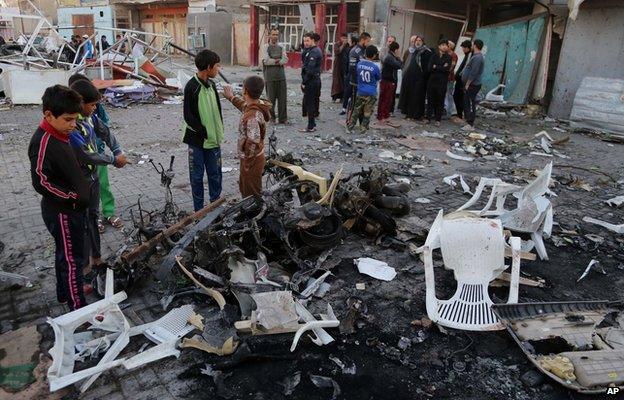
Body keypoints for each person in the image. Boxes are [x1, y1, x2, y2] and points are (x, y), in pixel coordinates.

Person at [28, 85, 91, 311]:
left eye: (75, 119)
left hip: (71, 208)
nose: (73, 125)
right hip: (63, 211)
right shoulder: (43, 141)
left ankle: (65, 293)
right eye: (68, 119)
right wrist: (72, 198)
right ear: (48, 115)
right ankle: (78, 308)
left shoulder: (60, 133)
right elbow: (41, 181)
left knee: (65, 254)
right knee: (73, 260)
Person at [68, 80, 128, 276]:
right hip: (79, 181)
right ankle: (84, 268)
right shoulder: (72, 124)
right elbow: (85, 154)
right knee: (83, 224)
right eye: (92, 105)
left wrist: (118, 149)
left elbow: (105, 131)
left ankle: (97, 258)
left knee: (93, 218)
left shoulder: (90, 118)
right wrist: (113, 159)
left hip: (93, 176)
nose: (95, 109)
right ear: (80, 103)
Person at [183, 49, 224, 211]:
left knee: (215, 175)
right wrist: (203, 132)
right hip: (197, 141)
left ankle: (215, 206)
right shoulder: (192, 87)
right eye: (217, 66)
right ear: (208, 67)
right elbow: (188, 116)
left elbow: (218, 112)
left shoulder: (212, 85)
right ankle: (198, 211)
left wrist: (217, 132)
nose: (218, 69)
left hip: (213, 141)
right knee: (197, 177)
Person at [222, 76, 271, 197]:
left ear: (245, 91)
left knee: (251, 195)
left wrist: (247, 164)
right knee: (246, 189)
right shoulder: (256, 106)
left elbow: (253, 142)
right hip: (253, 158)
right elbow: (244, 106)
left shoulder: (252, 116)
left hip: (252, 160)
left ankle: (255, 215)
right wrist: (231, 98)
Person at [347, 45, 380, 134]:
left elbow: (356, 73)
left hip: (360, 91)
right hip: (371, 92)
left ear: (365, 54)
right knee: (367, 112)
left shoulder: (359, 64)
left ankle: (350, 127)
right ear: (374, 55)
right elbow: (378, 77)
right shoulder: (375, 67)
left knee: (356, 110)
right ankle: (363, 129)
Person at [398, 35, 431, 120]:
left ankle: (416, 115)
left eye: (420, 40)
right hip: (411, 78)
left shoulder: (426, 52)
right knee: (410, 96)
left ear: (423, 42)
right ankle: (409, 114)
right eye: (417, 40)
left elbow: (426, 67)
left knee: (417, 97)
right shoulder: (414, 51)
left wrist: (422, 77)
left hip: (420, 79)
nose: (418, 42)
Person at [261, 28, 288, 124]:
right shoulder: (265, 47)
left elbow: (285, 60)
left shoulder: (281, 47)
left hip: (281, 76)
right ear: (269, 35)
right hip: (270, 77)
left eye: (277, 35)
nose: (275, 37)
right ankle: (272, 118)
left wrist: (274, 60)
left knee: (282, 99)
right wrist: (278, 60)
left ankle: (283, 119)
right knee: (270, 99)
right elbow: (266, 61)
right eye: (273, 34)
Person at [345, 32, 371, 123]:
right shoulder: (355, 51)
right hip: (356, 82)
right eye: (368, 41)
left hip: (364, 82)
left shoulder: (365, 50)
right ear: (363, 40)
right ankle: (349, 121)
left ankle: (361, 122)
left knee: (363, 103)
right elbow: (352, 68)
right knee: (354, 102)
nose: (368, 43)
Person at [300, 32, 322, 132]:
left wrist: (304, 82)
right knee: (310, 102)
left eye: (308, 40)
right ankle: (311, 123)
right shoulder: (308, 50)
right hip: (312, 79)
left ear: (313, 40)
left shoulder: (314, 51)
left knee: (310, 103)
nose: (306, 42)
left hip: (312, 80)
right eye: (304, 40)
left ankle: (311, 126)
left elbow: (310, 70)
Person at [426, 40, 452, 126]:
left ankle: (438, 120)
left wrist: (436, 67)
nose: (445, 46)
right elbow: (429, 68)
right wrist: (441, 66)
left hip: (442, 83)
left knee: (440, 101)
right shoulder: (434, 56)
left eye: (446, 45)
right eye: (443, 45)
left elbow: (446, 69)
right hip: (432, 82)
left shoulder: (448, 57)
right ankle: (428, 118)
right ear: (439, 46)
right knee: (430, 100)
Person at [461, 39, 485, 130]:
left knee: (470, 103)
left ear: (474, 45)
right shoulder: (475, 56)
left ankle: (470, 124)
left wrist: (467, 83)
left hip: (473, 84)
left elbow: (474, 72)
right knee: (467, 102)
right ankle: (468, 121)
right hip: (471, 84)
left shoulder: (478, 57)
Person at [377, 41, 402, 123]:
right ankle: (381, 116)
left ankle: (385, 115)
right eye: (398, 50)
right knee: (384, 99)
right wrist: (398, 58)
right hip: (386, 81)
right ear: (395, 50)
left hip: (390, 81)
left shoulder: (391, 56)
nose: (399, 51)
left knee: (388, 100)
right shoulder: (389, 57)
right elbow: (399, 65)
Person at [453, 40, 472, 122]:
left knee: (459, 98)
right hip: (460, 80)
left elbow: (465, 69)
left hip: (463, 81)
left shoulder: (470, 56)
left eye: (464, 48)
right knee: (458, 97)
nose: (463, 50)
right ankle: (460, 114)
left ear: (467, 48)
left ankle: (461, 115)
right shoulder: (467, 55)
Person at [340, 34, 358, 115]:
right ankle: (344, 108)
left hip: (351, 74)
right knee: (347, 92)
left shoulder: (353, 51)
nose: (348, 41)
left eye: (350, 40)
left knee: (350, 92)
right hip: (348, 74)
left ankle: (348, 108)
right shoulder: (348, 49)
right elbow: (345, 62)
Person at [331, 33, 348, 102]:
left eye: (345, 38)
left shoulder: (347, 45)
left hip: (344, 64)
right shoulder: (337, 44)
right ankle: (334, 97)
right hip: (337, 64)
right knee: (336, 81)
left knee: (343, 81)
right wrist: (343, 45)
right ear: (340, 38)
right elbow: (337, 52)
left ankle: (342, 97)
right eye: (343, 38)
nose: (344, 39)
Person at [444, 40, 458, 116]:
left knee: (449, 94)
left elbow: (452, 66)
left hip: (449, 78)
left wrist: (445, 71)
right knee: (445, 94)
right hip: (445, 77)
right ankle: (445, 109)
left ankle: (449, 111)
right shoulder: (446, 54)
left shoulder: (453, 55)